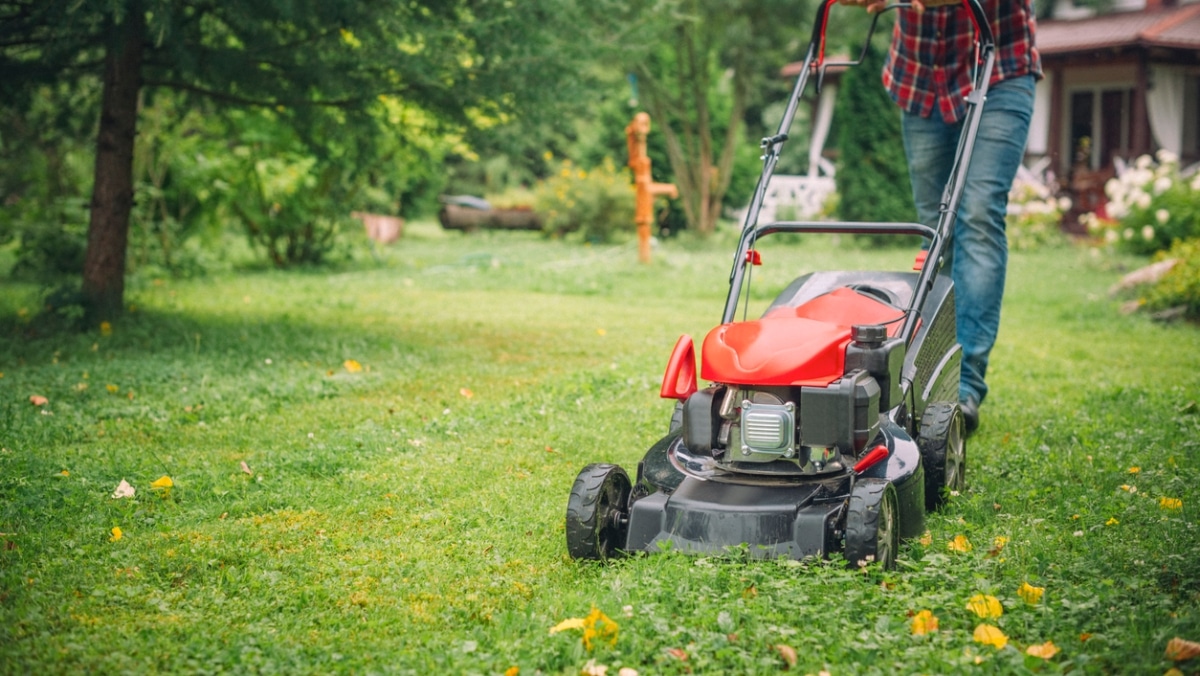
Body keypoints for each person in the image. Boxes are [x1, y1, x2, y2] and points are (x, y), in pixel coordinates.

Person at [839, 0, 1041, 435]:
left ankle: (966, 385)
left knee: (979, 214)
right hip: (921, 75)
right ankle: (936, 375)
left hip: (999, 65)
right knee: (937, 231)